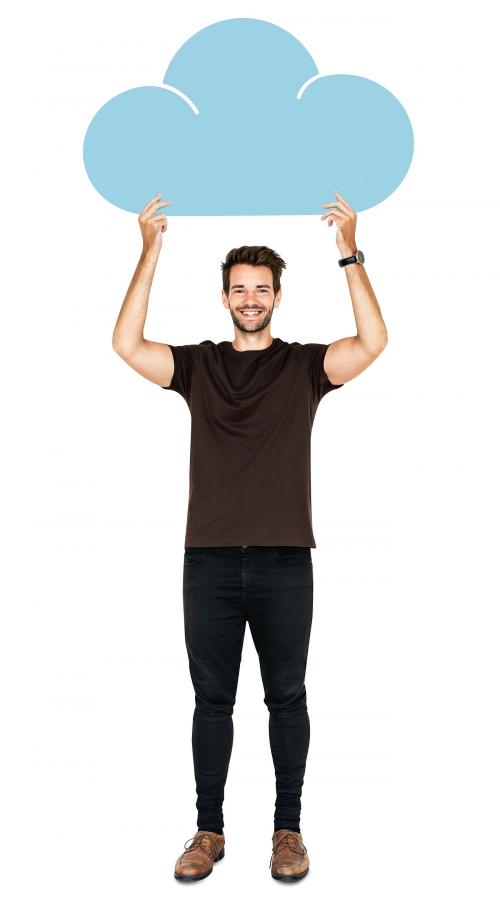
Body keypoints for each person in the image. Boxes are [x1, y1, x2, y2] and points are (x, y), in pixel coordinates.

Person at [111, 192, 388, 882]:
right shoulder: (199, 366)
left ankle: (287, 832)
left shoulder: (304, 368)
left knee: (287, 697)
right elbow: (125, 345)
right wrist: (150, 251)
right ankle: (209, 830)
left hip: (286, 560)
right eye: (240, 289)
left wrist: (349, 251)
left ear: (278, 296)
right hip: (206, 562)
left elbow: (374, 343)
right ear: (226, 297)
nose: (251, 298)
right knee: (212, 701)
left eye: (261, 289)